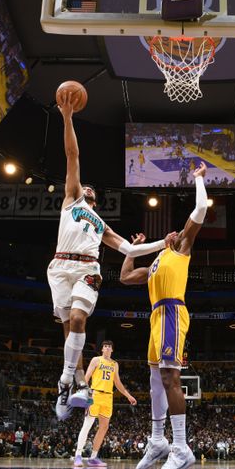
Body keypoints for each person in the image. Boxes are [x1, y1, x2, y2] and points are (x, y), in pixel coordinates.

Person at [51, 91, 174, 420]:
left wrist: (164, 242)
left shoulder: (101, 224)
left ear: (97, 200)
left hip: (88, 269)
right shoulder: (72, 200)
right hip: (59, 266)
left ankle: (65, 381)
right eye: (84, 186)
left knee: (78, 319)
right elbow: (72, 155)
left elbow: (131, 250)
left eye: (91, 189)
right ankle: (76, 383)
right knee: (68, 328)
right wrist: (67, 118)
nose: (86, 187)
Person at [120, 161, 209, 469]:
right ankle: (158, 441)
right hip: (155, 317)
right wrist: (132, 249)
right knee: (155, 380)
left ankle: (181, 447)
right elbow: (125, 276)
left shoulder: (182, 248)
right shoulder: (155, 261)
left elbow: (200, 210)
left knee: (171, 379)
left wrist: (199, 179)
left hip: (172, 311)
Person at [74, 340, 137, 467]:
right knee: (88, 424)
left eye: (109, 347)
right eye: (105, 346)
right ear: (102, 349)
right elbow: (87, 376)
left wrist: (128, 396)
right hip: (95, 394)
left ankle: (93, 457)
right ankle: (78, 456)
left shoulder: (115, 364)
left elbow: (117, 383)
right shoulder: (96, 360)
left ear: (112, 350)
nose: (107, 348)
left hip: (108, 397)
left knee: (104, 427)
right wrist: (83, 391)